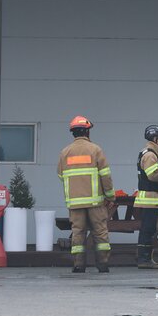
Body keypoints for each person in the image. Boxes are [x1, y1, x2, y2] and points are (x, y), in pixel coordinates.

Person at [56, 115, 114, 274]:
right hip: (96, 203)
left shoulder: (65, 152)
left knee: (78, 233)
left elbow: (61, 175)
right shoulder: (95, 150)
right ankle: (102, 265)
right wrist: (110, 196)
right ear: (87, 132)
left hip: (75, 203)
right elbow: (106, 176)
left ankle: (78, 265)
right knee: (100, 232)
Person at [134, 125, 158, 270]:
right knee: (147, 230)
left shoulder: (152, 153)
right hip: (150, 200)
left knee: (148, 230)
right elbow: (153, 175)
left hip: (151, 200)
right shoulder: (150, 155)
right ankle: (144, 260)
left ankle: (145, 259)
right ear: (155, 139)